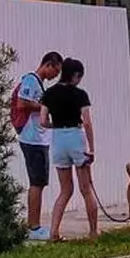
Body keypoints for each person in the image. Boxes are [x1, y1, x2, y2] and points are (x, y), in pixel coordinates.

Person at [39, 57, 99, 242]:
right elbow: (87, 123)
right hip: (75, 137)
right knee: (86, 189)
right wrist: (91, 149)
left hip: (58, 140)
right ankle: (93, 232)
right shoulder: (80, 94)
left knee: (65, 190)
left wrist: (56, 126)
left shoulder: (49, 93)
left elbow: (42, 121)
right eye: (79, 77)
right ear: (75, 75)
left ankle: (53, 233)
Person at [13, 51, 63, 241]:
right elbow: (21, 104)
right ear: (48, 64)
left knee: (40, 182)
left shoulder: (39, 84)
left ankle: (34, 225)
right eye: (55, 71)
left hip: (39, 138)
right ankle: (33, 227)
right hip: (32, 138)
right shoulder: (30, 80)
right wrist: (44, 107)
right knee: (37, 182)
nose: (55, 76)